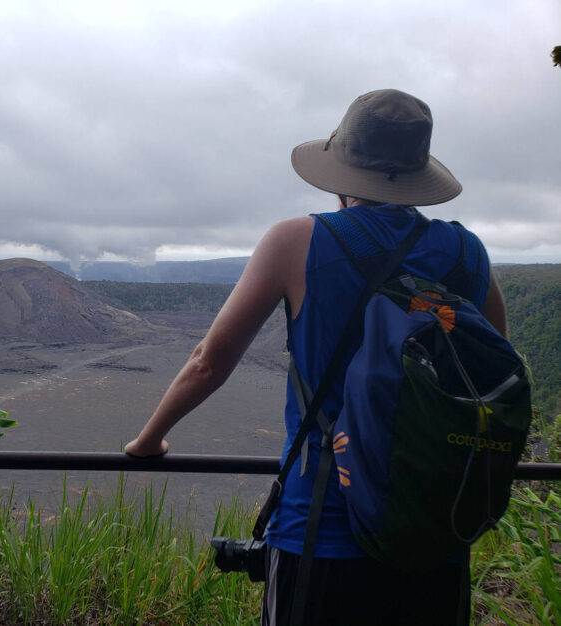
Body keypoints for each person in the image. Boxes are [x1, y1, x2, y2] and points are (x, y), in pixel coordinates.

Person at [124, 89, 507, 625]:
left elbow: (209, 362)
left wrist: (148, 441)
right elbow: (488, 381)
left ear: (343, 168)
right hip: (433, 530)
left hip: (322, 529)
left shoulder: (297, 240)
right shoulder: (470, 253)